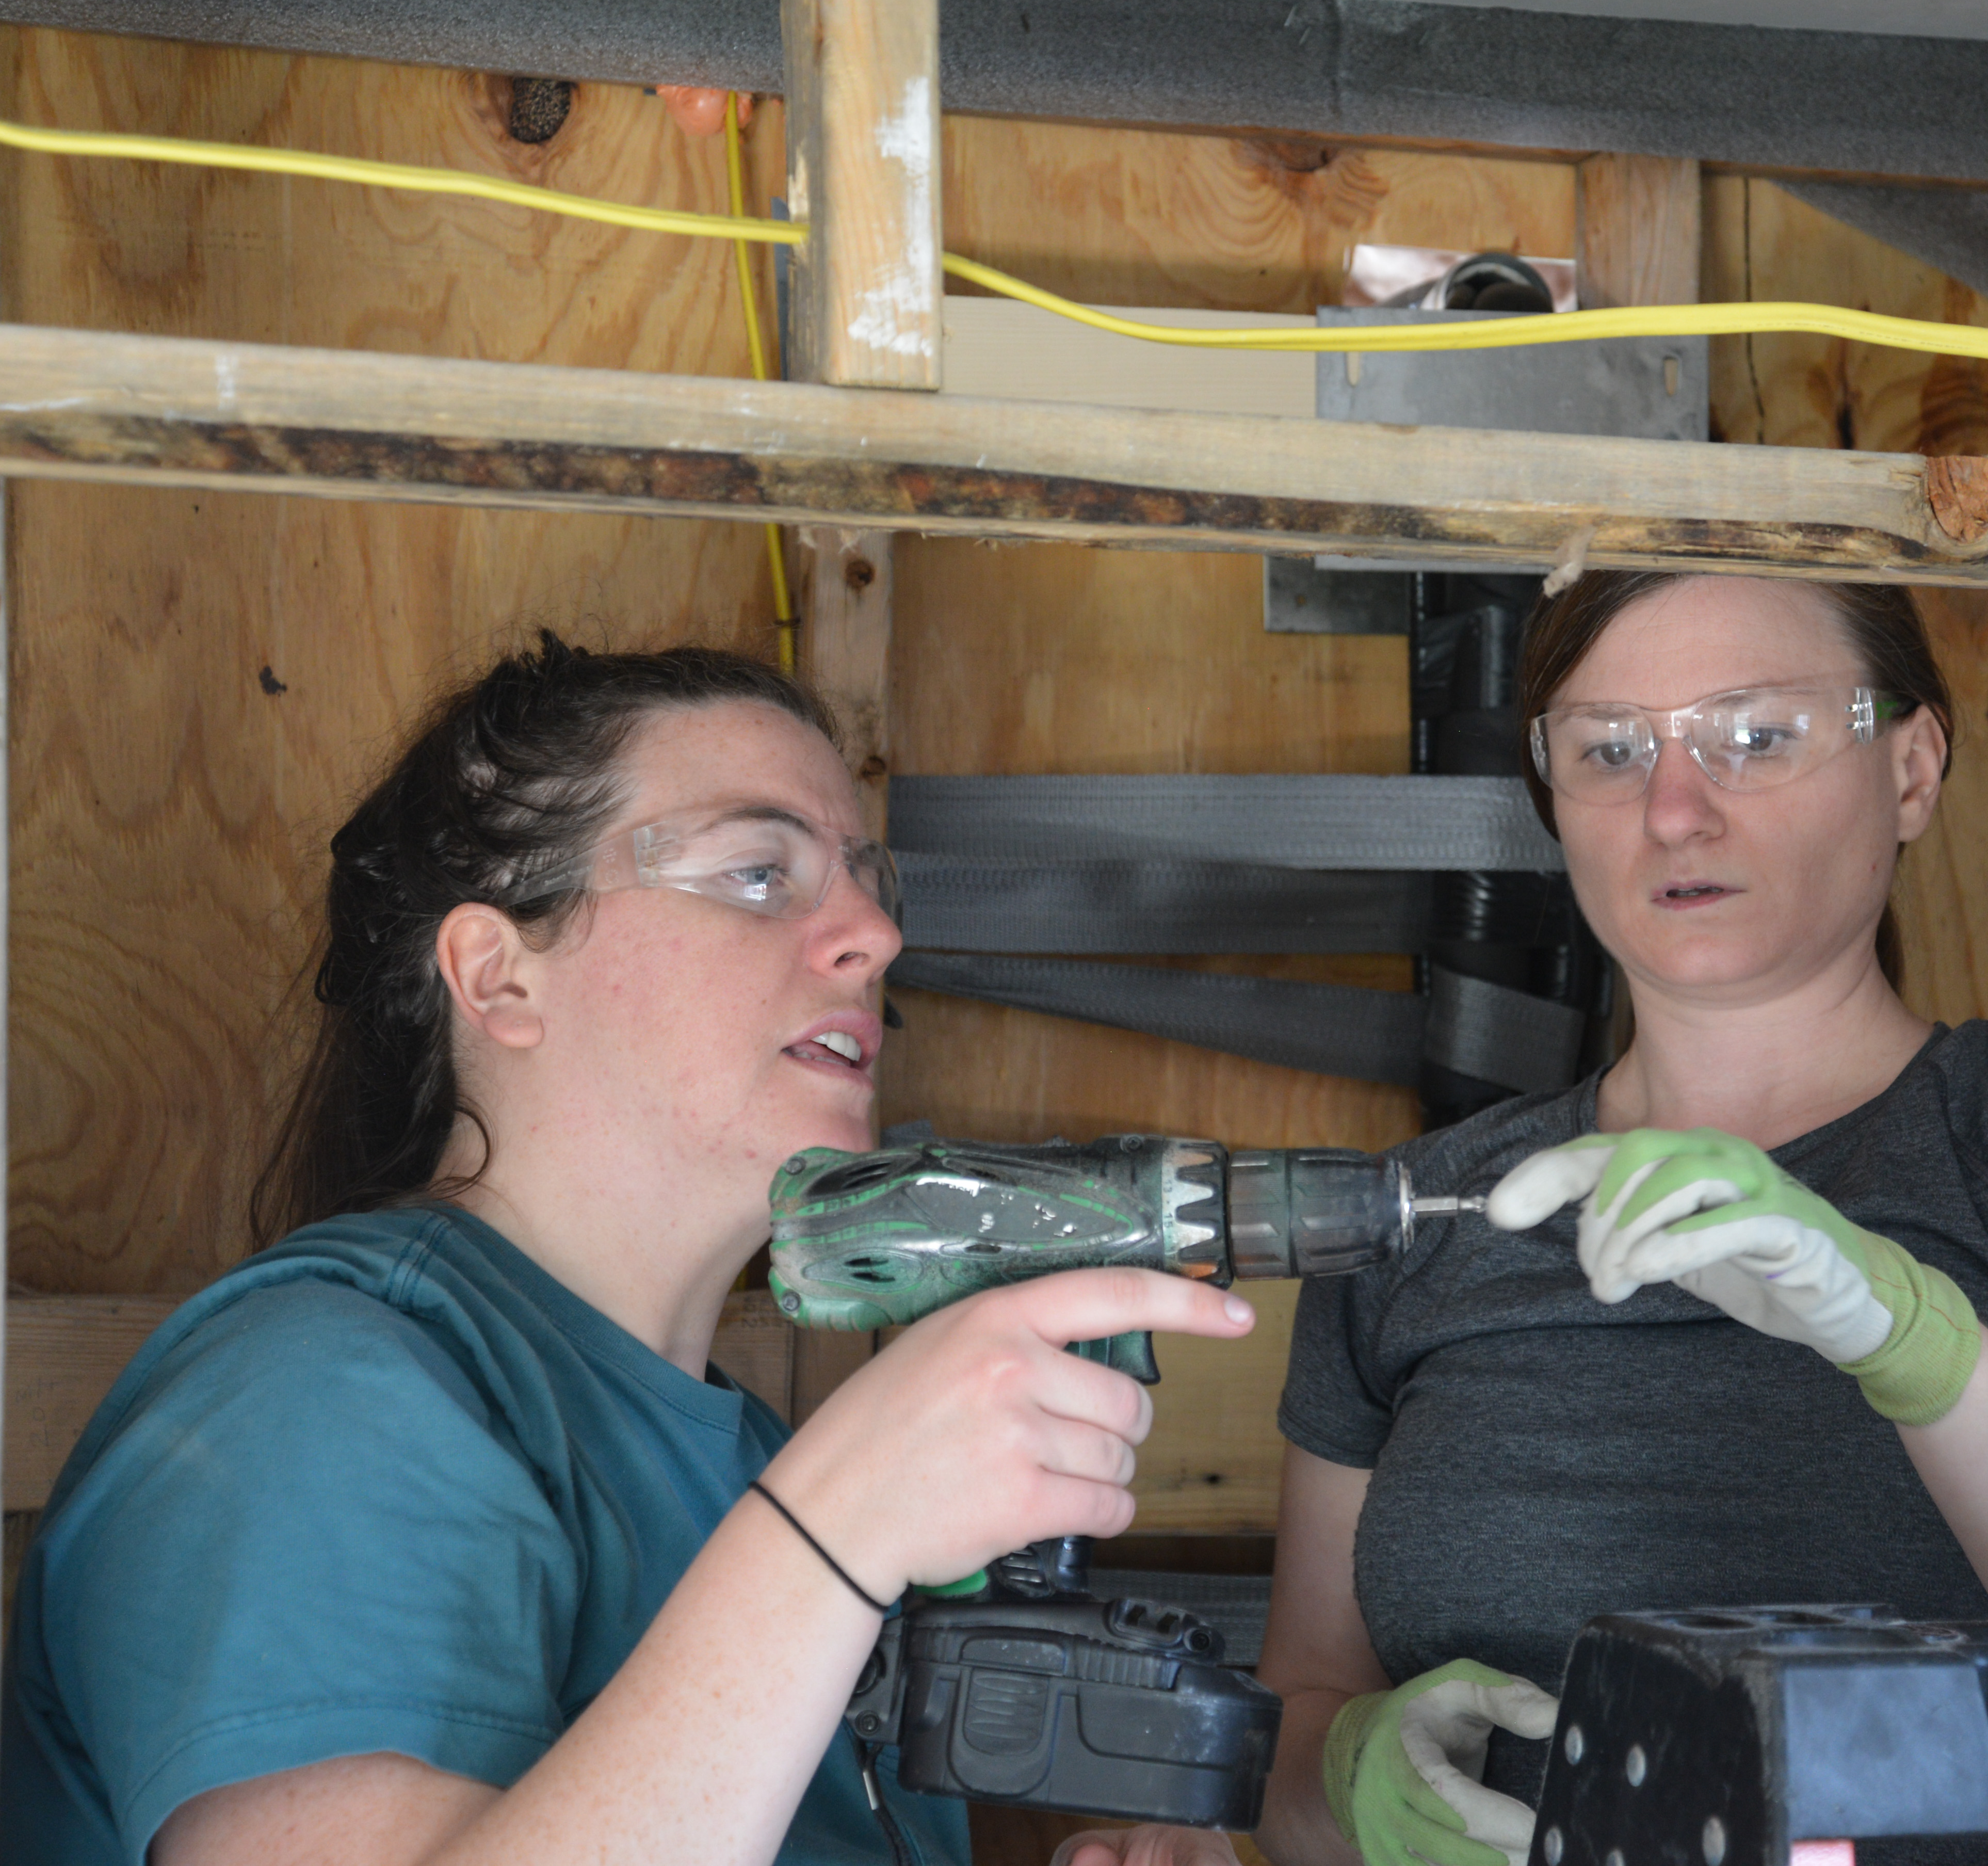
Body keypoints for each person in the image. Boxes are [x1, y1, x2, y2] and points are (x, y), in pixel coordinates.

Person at [2, 636, 1256, 1866]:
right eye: (758, 871)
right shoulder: (310, 1400)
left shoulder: (752, 1460)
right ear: (499, 978)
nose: (872, 934)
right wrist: (831, 1532)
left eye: (869, 885)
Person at [1250, 571, 1988, 1866]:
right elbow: (1295, 1725)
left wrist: (1914, 1346)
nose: (1673, 809)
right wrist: (1346, 1776)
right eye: (1609, 750)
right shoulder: (1418, 1211)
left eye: (1754, 736)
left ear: (1911, 770)